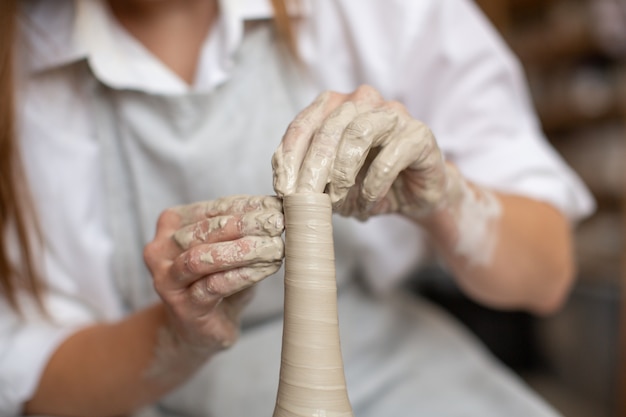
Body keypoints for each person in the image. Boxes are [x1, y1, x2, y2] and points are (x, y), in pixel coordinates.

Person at [1, 0, 595, 416]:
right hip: (145, 391)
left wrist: (447, 199)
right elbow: (29, 377)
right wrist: (177, 336)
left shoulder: (372, 11)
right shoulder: (21, 69)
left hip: (380, 362)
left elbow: (547, 276)